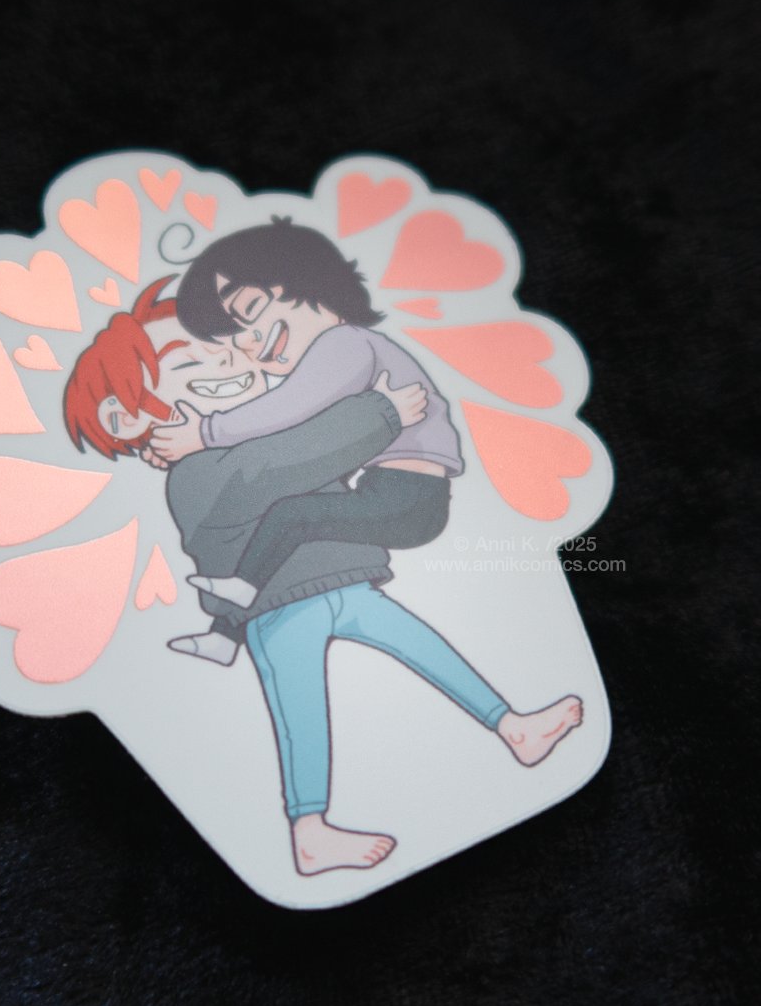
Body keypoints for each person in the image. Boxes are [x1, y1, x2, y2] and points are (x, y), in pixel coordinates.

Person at [64, 282, 584, 877]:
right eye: (191, 362)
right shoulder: (194, 472)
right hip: (278, 604)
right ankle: (309, 831)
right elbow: (281, 462)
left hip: (343, 579)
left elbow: (297, 435)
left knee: (421, 644)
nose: (230, 361)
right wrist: (382, 413)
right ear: (125, 416)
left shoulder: (241, 433)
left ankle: (512, 726)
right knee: (300, 708)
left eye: (225, 346)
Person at [149, 218, 462, 666]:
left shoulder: (346, 342)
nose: (248, 343)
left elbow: (288, 409)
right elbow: (302, 433)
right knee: (287, 525)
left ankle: (235, 608)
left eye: (250, 308)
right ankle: (226, 633)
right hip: (391, 491)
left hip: (411, 496)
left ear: (309, 282)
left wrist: (206, 432)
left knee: (291, 517)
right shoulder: (342, 350)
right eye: (233, 339)